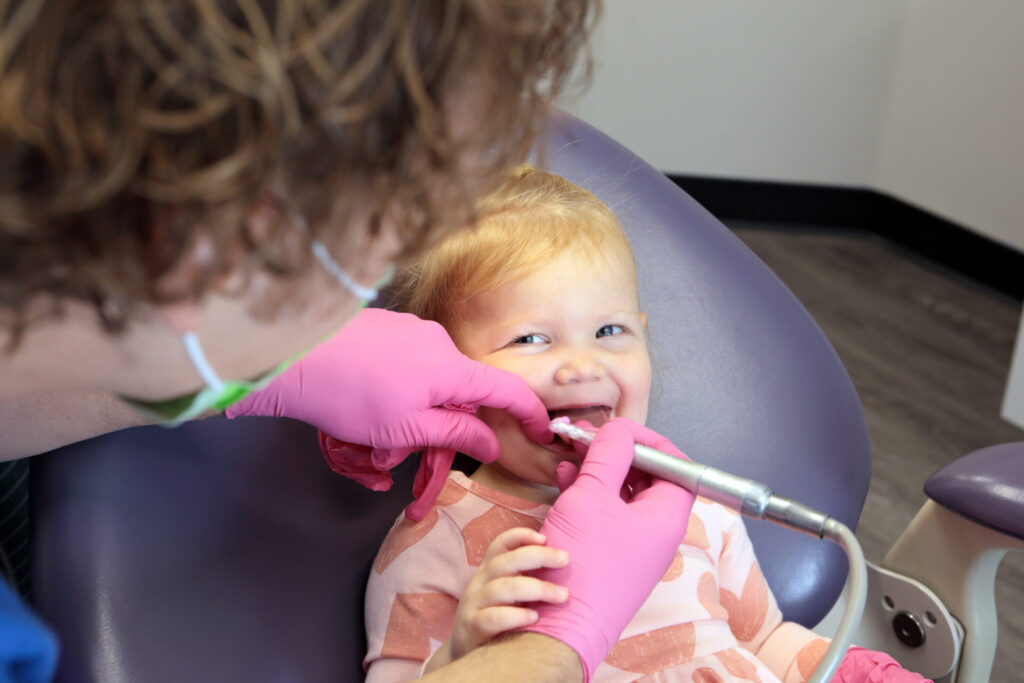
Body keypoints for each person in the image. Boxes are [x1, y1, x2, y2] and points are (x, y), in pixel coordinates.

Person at [0, 3, 698, 682]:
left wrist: (261, 370)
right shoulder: (441, 549)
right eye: (392, 231)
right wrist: (549, 646)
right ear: (209, 237)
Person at [346, 166, 930, 682]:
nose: (582, 366)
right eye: (530, 339)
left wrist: (856, 673)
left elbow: (766, 642)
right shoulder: (437, 540)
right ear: (451, 379)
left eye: (609, 332)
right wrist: (460, 654)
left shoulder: (689, 500)